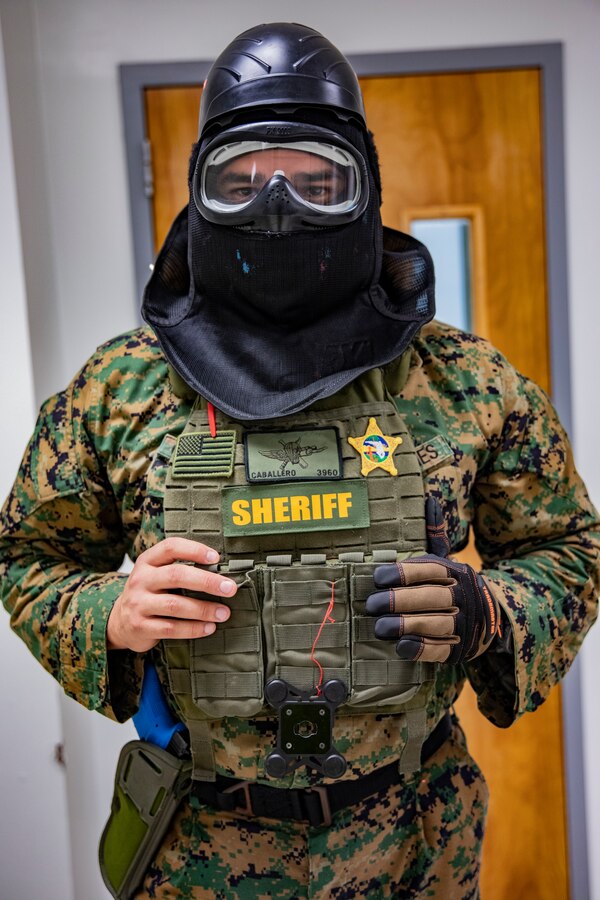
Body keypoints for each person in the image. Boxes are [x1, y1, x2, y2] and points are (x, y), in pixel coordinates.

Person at [1, 21, 598, 900]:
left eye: (316, 182)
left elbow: (570, 550)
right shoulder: (117, 390)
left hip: (417, 845)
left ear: (364, 191)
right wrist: (110, 613)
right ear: (199, 194)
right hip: (198, 854)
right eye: (239, 182)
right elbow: (26, 556)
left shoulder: (465, 379)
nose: (277, 206)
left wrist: (488, 608)